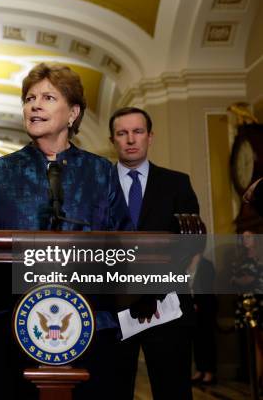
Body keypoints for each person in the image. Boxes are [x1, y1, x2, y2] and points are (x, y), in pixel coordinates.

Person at [0, 62, 131, 400]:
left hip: (90, 324)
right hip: (12, 325)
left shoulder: (101, 172)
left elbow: (125, 244)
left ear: (73, 113)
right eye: (29, 98)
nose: (34, 105)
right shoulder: (1, 171)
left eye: (48, 97)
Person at [108, 106, 199, 399]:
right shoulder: (98, 185)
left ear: (150, 137)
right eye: (122, 133)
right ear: (113, 140)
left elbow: (191, 241)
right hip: (112, 306)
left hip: (166, 304)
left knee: (173, 388)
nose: (130, 139)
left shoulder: (177, 182)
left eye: (137, 132)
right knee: (111, 389)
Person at [232, 230, 263, 389]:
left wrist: (246, 279)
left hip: (259, 303)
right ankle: (253, 379)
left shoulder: (260, 257)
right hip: (243, 304)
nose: (245, 240)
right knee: (248, 342)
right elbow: (234, 279)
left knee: (259, 342)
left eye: (248, 236)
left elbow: (254, 278)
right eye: (243, 237)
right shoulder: (240, 259)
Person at [188, 253, 217, 385]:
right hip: (190, 306)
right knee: (196, 339)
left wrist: (198, 303)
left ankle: (209, 371)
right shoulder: (185, 262)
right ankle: (200, 369)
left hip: (205, 307)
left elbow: (207, 288)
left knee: (207, 339)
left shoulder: (206, 265)